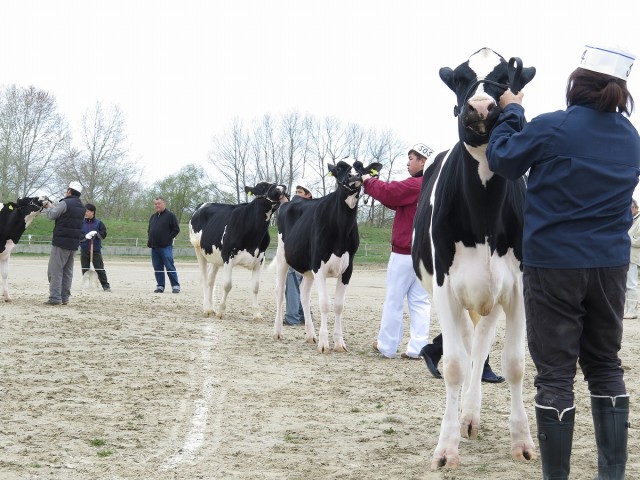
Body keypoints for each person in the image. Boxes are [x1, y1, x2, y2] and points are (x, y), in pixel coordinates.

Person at [486, 44, 639, 480]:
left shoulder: (553, 127)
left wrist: (513, 111)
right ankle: (611, 475)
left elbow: (503, 159)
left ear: (578, 82)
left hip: (554, 264)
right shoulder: (631, 137)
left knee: (555, 374)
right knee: (605, 366)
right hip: (610, 265)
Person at [363, 144, 432, 359]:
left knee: (394, 299)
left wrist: (368, 181)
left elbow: (390, 193)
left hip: (404, 252)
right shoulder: (433, 184)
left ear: (422, 161)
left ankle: (387, 346)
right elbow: (398, 202)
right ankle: (417, 348)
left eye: (411, 158)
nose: (408, 162)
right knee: (420, 302)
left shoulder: (416, 184)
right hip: (425, 253)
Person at [43, 181, 86, 305]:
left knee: (54, 271)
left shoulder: (64, 203)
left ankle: (55, 298)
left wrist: (48, 207)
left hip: (61, 242)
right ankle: (65, 297)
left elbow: (52, 215)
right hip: (73, 244)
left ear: (69, 191)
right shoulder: (82, 207)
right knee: (67, 272)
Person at [284, 184, 313, 326]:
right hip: (309, 254)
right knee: (304, 285)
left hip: (299, 252)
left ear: (308, 195)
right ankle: (304, 315)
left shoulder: (302, 209)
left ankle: (292, 317)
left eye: (300, 192)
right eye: (296, 192)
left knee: (293, 281)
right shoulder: (313, 209)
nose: (296, 195)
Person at [147, 197, 181, 293]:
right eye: (155, 204)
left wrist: (167, 239)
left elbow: (176, 229)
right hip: (154, 247)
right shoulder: (153, 217)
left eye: (159, 203)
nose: (157, 205)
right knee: (157, 267)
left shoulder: (170, 215)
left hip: (165, 247)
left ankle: (175, 286)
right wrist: (150, 240)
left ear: (164, 204)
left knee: (169, 266)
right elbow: (149, 229)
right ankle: (160, 286)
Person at [80, 203, 111, 292]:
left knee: (99, 268)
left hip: (96, 250)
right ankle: (86, 285)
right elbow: (78, 235)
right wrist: (85, 236)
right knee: (85, 269)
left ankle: (105, 285)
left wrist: (97, 234)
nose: (85, 213)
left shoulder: (99, 223)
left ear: (92, 212)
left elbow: (104, 234)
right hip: (84, 249)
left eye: (87, 211)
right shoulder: (81, 223)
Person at [624, 198, 640, 319]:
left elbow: (638, 241)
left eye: (630, 208)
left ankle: (632, 310)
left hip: (632, 257)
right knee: (624, 284)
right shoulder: (631, 219)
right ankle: (627, 309)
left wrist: (624, 238)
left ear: (635, 208)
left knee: (632, 284)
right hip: (624, 255)